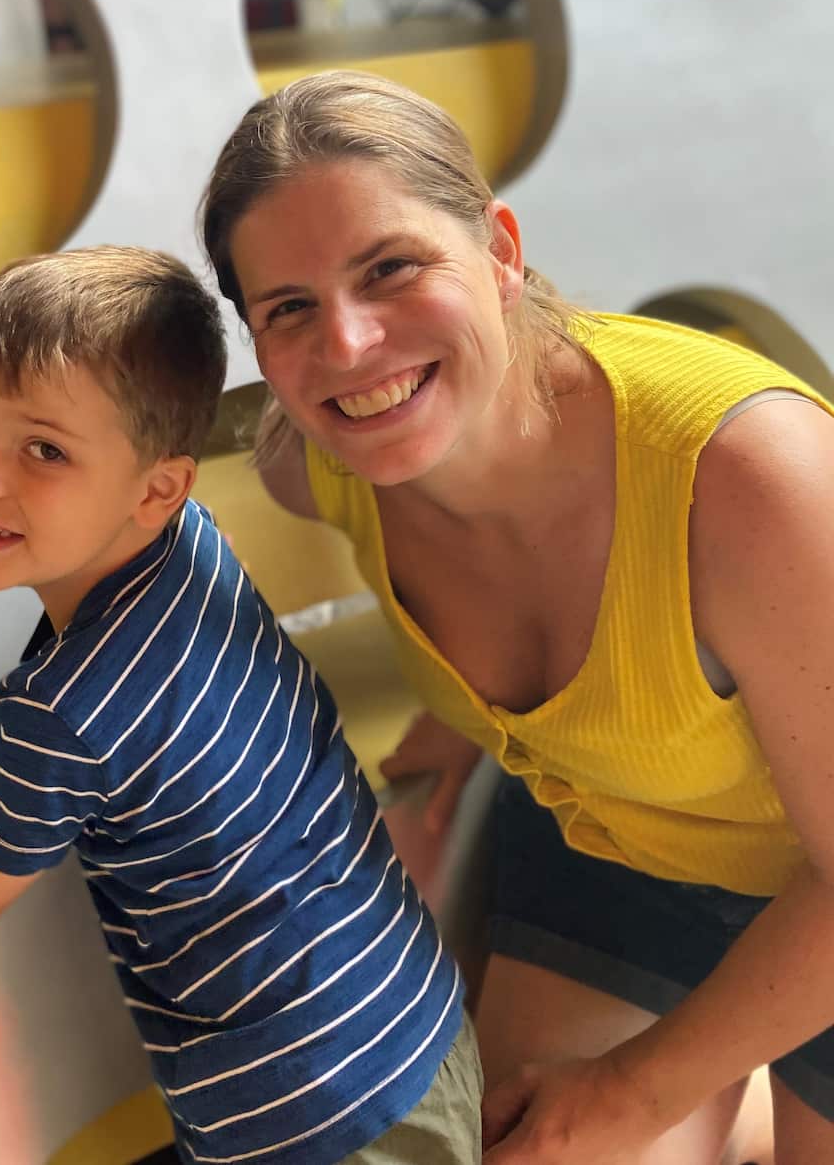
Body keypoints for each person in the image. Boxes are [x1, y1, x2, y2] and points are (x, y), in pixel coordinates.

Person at [199, 69, 834, 1165]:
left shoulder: (742, 474)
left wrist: (634, 1093)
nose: (347, 346)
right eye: (288, 308)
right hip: (628, 839)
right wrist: (466, 721)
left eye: (388, 268)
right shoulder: (328, 458)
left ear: (497, 249)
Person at [0, 245, 482, 1165]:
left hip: (307, 1121)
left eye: (43, 449)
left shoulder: (61, 714)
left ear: (157, 488)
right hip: (408, 1013)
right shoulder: (189, 543)